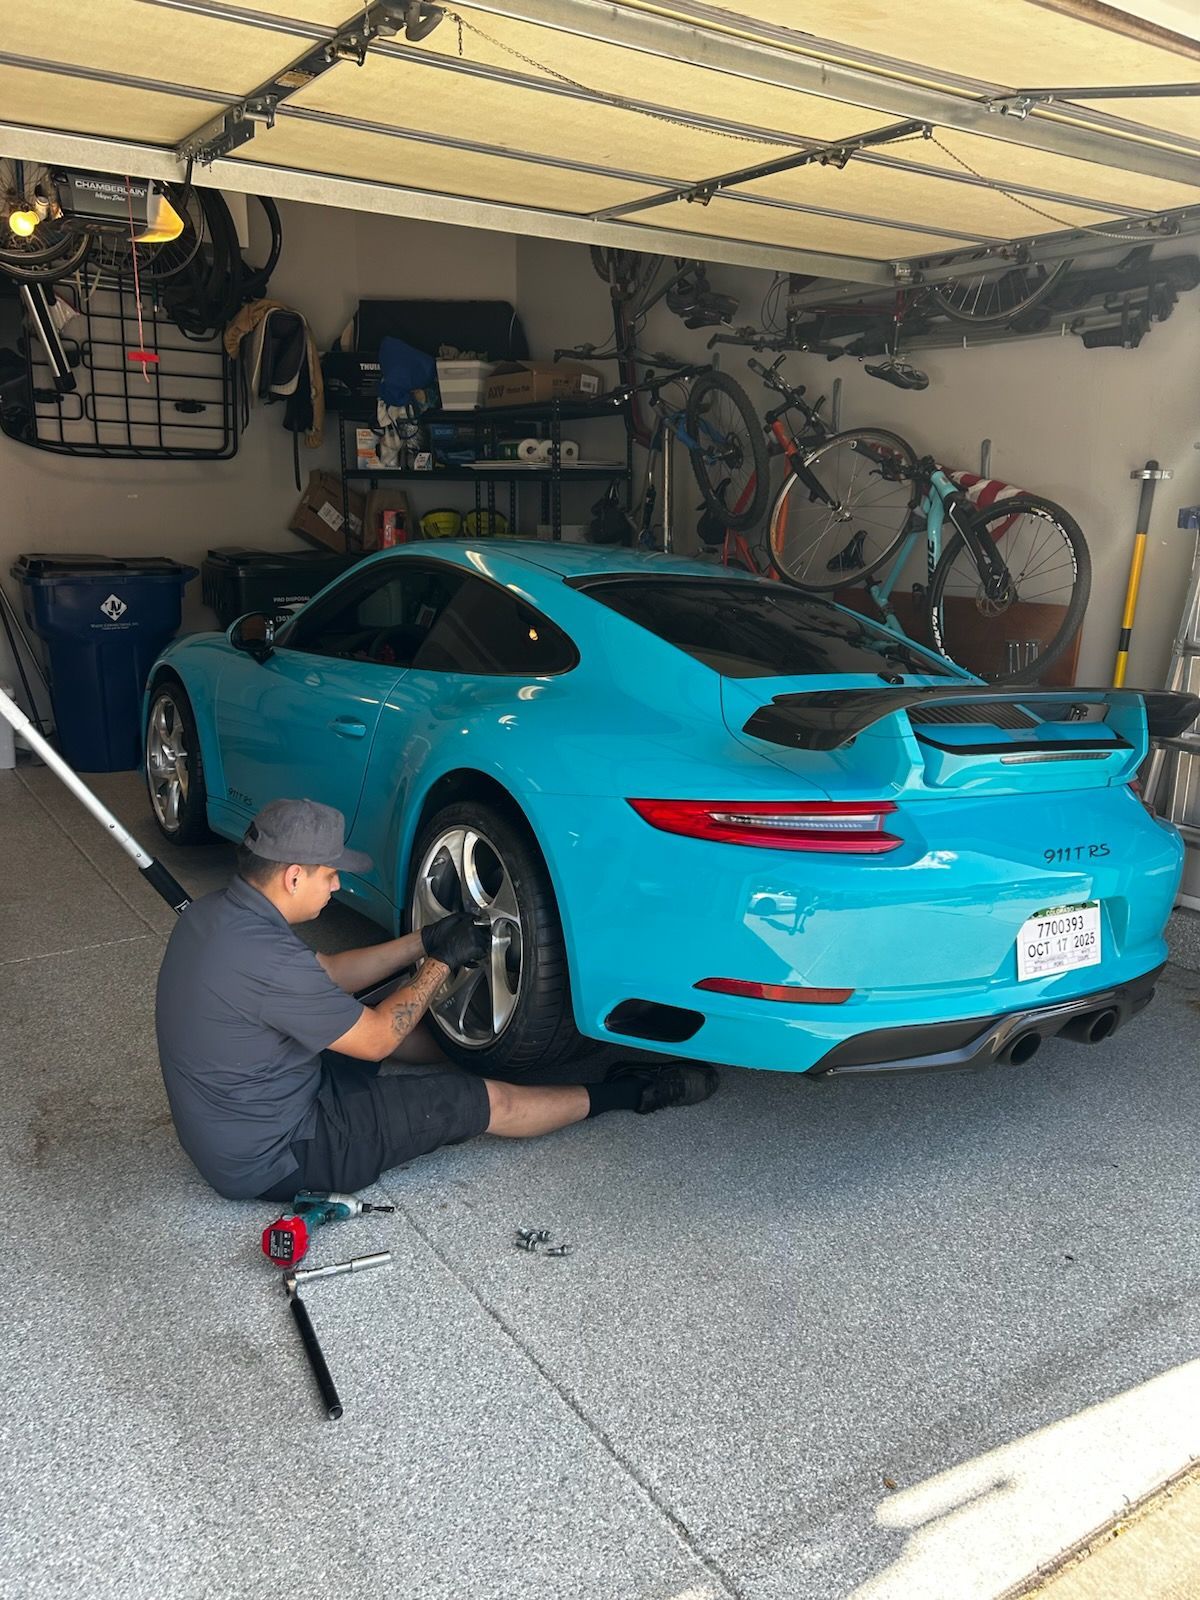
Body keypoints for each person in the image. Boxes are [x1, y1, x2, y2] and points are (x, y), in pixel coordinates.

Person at [155, 798, 718, 1201]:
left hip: (236, 1122)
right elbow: (376, 1041)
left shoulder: (215, 916)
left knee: (378, 1005)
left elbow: (326, 972)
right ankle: (629, 1091)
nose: (337, 887)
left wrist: (423, 940)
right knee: (483, 1101)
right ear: (294, 876)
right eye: (330, 876)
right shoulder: (267, 960)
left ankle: (506, 1064)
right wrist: (439, 965)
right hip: (278, 1155)